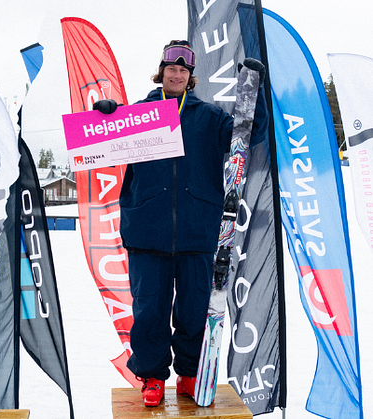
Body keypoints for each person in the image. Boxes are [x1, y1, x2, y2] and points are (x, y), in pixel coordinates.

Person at [93, 40, 266, 407]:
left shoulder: (209, 118)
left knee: (193, 310)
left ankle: (190, 374)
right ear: (162, 72)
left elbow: (250, 133)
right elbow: (99, 141)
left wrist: (252, 92)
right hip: (148, 231)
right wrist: (105, 117)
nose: (177, 74)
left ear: (190, 77)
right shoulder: (139, 114)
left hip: (198, 231)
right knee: (149, 311)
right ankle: (153, 377)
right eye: (171, 68)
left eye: (183, 70)